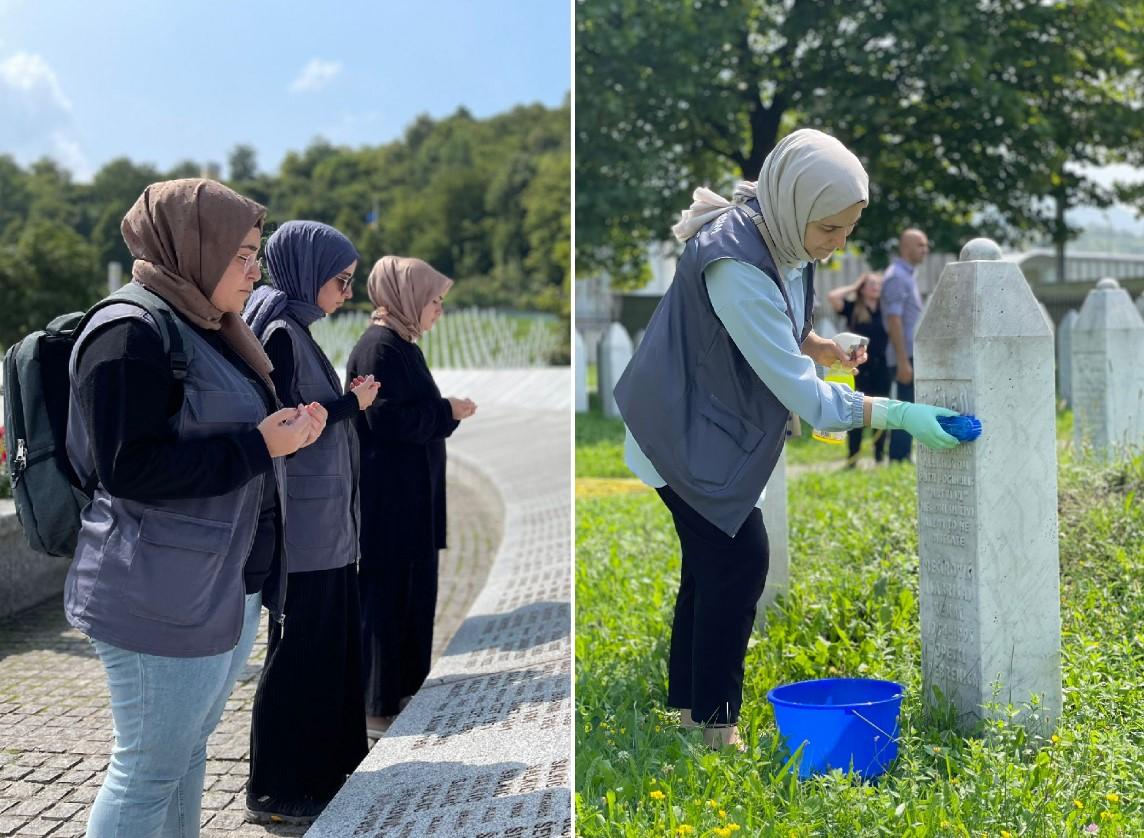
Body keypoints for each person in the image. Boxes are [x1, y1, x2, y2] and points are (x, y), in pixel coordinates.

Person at [614, 129, 963, 750]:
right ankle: (715, 730)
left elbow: (773, 325)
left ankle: (687, 713)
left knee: (711, 562)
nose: (839, 245)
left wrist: (820, 345)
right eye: (830, 229)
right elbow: (807, 400)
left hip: (702, 424)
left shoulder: (772, 232)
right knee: (740, 559)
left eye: (848, 228)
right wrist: (900, 416)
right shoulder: (735, 262)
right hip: (679, 432)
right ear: (795, 204)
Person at [64, 179, 326, 836]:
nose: (254, 270)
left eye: (257, 253)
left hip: (217, 582)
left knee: (182, 758)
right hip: (159, 593)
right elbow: (129, 469)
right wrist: (257, 446)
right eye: (240, 253)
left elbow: (222, 436)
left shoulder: (208, 326)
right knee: (147, 772)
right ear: (194, 248)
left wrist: (281, 436)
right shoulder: (130, 331)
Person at [241, 221, 381, 825]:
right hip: (304, 530)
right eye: (341, 280)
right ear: (306, 273)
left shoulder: (294, 327)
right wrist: (355, 403)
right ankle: (275, 789)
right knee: (298, 655)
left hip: (326, 526)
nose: (346, 293)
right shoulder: (277, 331)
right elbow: (291, 424)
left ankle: (323, 770)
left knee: (325, 649)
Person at [347, 256, 477, 737]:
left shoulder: (400, 343)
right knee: (386, 598)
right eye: (434, 301)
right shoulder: (379, 347)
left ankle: (401, 692)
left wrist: (445, 413)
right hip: (391, 501)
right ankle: (378, 705)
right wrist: (447, 411)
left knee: (412, 595)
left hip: (410, 499)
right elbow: (385, 420)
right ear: (407, 300)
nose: (439, 311)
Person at [827, 271, 891, 464]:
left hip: (881, 367)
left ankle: (879, 456)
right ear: (862, 288)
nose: (875, 287)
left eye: (878, 284)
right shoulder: (853, 308)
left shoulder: (885, 309)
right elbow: (833, 297)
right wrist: (854, 287)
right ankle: (852, 457)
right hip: (859, 367)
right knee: (856, 411)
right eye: (870, 284)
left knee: (881, 411)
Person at [881, 227, 930, 462]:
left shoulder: (908, 275)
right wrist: (902, 361)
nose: (925, 250)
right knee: (904, 408)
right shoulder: (896, 276)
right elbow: (894, 319)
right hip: (904, 356)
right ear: (906, 247)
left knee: (910, 406)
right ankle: (898, 457)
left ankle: (904, 454)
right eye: (920, 245)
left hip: (911, 354)